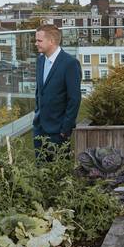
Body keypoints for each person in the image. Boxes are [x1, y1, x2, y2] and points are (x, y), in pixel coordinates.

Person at [33, 24, 81, 160]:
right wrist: (37, 113)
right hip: (39, 129)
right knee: (40, 173)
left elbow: (74, 99)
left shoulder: (70, 64)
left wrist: (65, 129)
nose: (36, 44)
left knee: (59, 174)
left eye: (39, 41)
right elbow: (39, 92)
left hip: (58, 132)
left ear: (52, 41)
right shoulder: (40, 60)